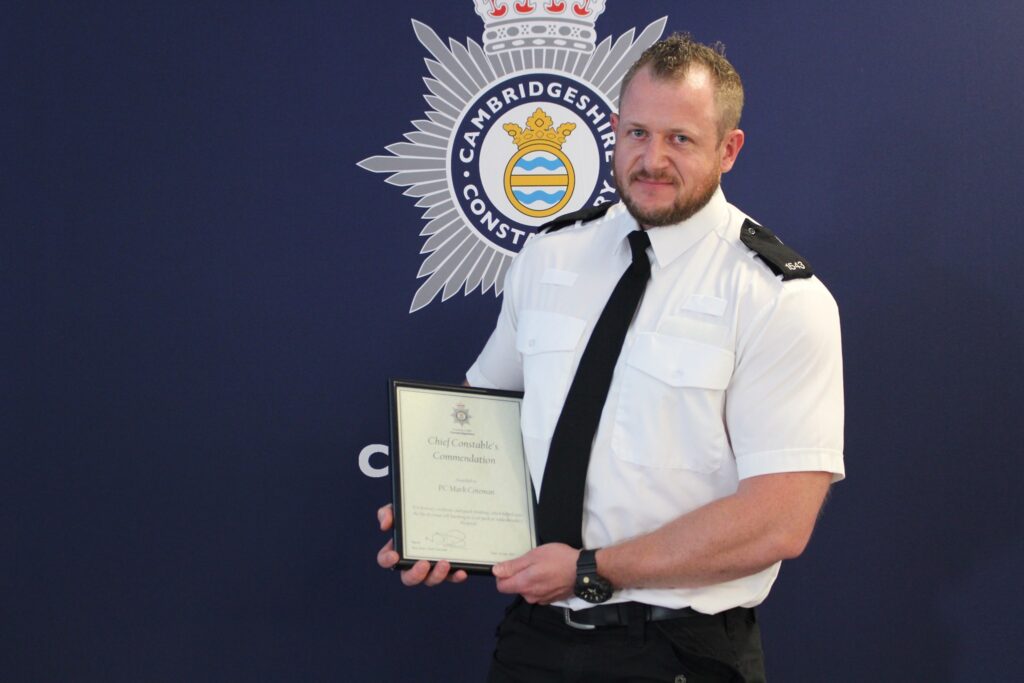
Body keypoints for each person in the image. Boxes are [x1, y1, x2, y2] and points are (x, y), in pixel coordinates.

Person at [377, 32, 844, 682]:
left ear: (728, 148)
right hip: (534, 639)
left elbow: (777, 521)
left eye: (680, 138)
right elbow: (483, 409)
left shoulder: (777, 297)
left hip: (681, 652)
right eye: (635, 133)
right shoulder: (550, 255)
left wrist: (593, 568)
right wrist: (436, 516)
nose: (651, 159)